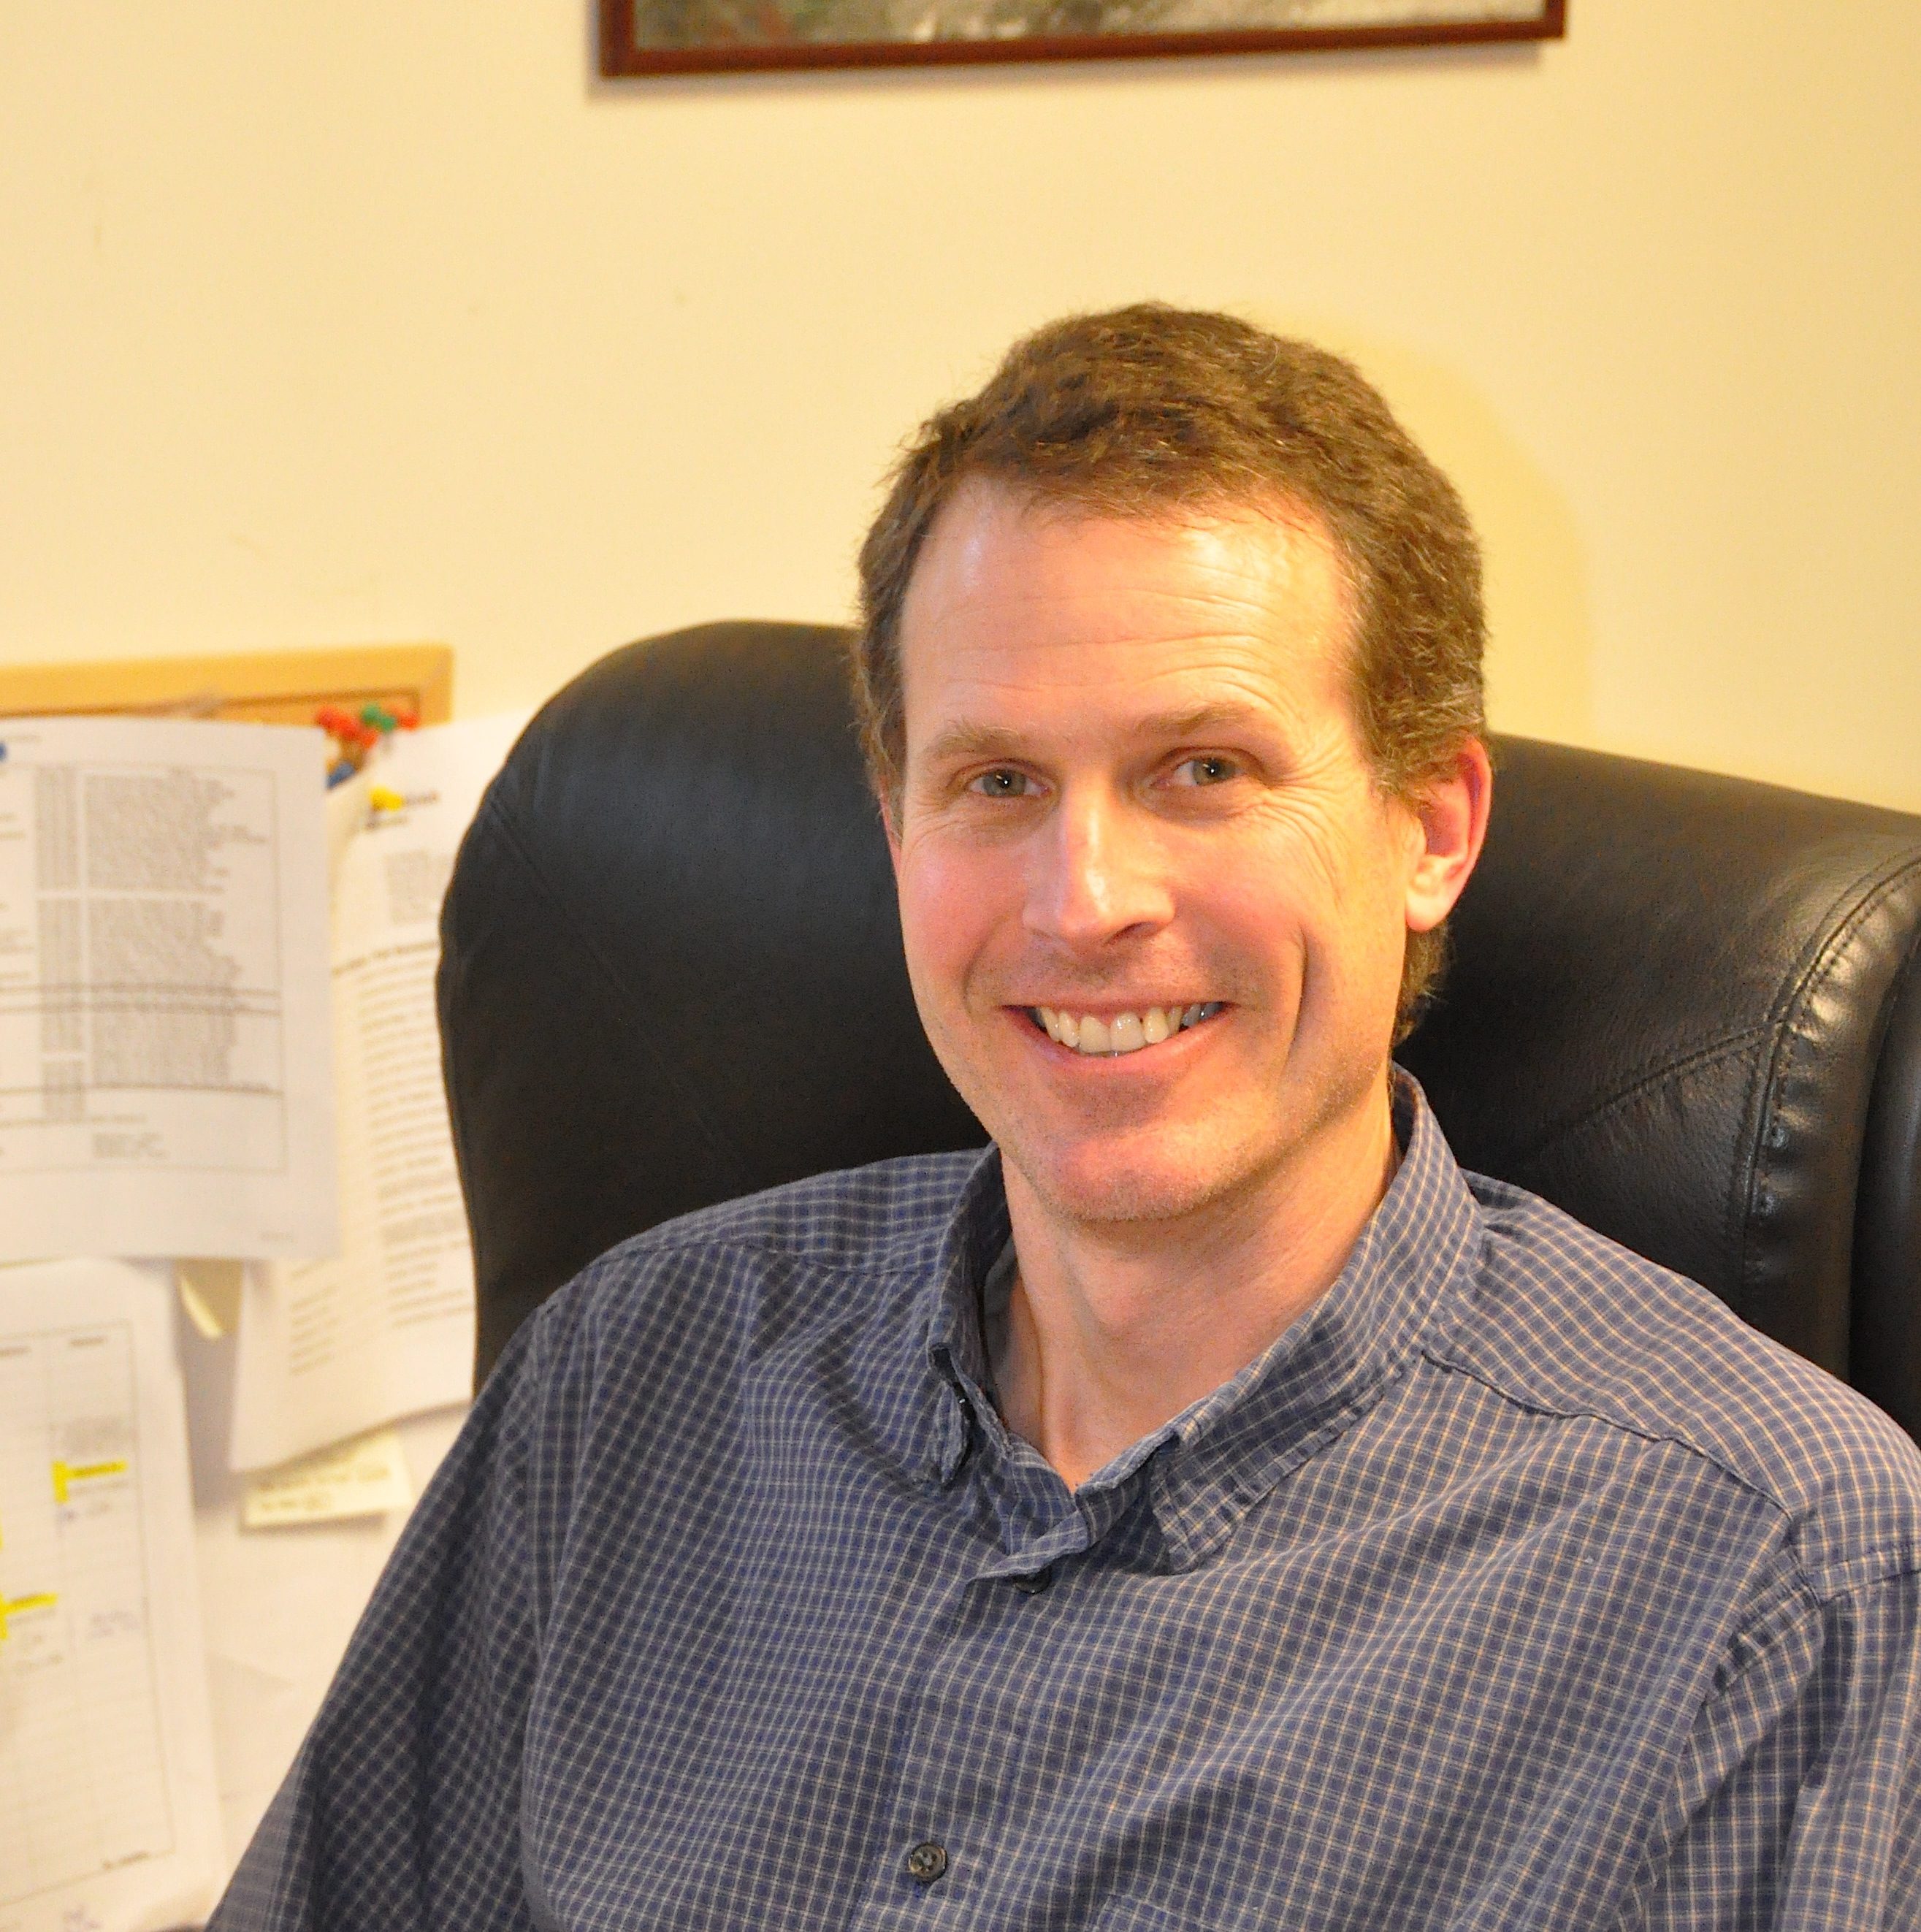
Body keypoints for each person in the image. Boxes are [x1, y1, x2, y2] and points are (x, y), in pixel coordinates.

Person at [212, 306, 1921, 1929]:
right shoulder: (631, 1381)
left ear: (1431, 826)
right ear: (895, 826)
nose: (1085, 898)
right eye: (998, 783)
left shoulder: (1775, 1579)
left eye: (1204, 772)